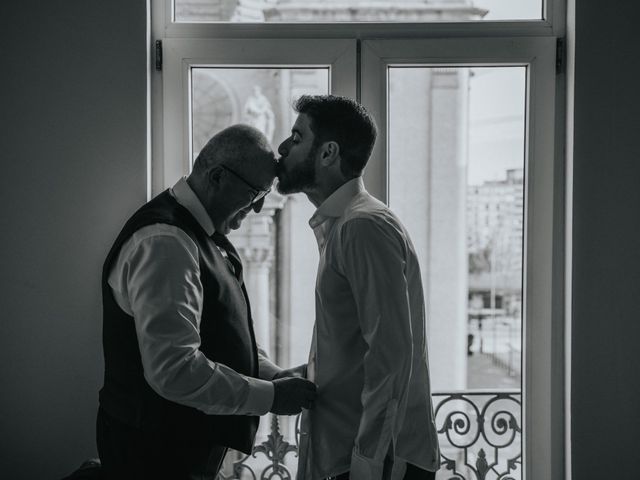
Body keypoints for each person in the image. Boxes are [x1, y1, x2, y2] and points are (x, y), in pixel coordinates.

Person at [97, 124, 317, 480]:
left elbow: (220, 335)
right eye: (254, 193)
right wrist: (271, 397)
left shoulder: (201, 234)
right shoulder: (165, 242)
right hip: (153, 455)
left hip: (180, 447)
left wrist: (273, 375)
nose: (260, 208)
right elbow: (175, 369)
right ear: (216, 177)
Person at [276, 96, 440, 480]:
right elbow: (359, 348)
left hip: (375, 466)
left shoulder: (362, 227)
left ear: (328, 153)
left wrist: (366, 465)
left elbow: (391, 356)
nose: (283, 148)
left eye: (297, 137)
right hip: (350, 459)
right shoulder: (345, 226)